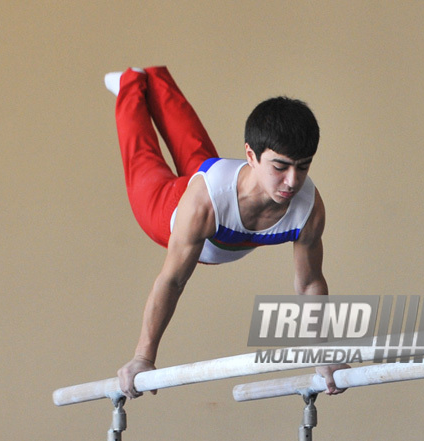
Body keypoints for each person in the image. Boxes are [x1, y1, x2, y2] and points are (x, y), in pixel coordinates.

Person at [105, 66, 348, 399]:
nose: (293, 181)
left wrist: (324, 351)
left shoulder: (308, 207)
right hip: (170, 211)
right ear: (251, 155)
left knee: (190, 141)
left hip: (213, 181)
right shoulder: (207, 200)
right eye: (280, 167)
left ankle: (155, 73)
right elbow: (172, 280)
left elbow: (309, 283)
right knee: (141, 154)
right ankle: (130, 82)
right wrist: (143, 357)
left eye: (303, 166)